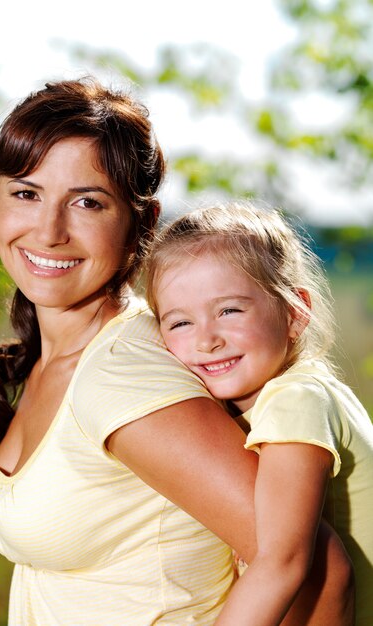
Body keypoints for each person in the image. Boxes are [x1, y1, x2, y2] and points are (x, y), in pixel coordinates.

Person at [0, 78, 352, 626]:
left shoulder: (124, 374)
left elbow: (318, 574)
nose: (49, 231)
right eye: (26, 193)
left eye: (87, 202)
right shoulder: (59, 360)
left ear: (139, 224)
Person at [146, 201, 373, 626]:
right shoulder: (287, 394)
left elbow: (281, 562)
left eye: (229, 310)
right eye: (179, 323)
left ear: (294, 312)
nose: (206, 340)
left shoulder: (295, 401)